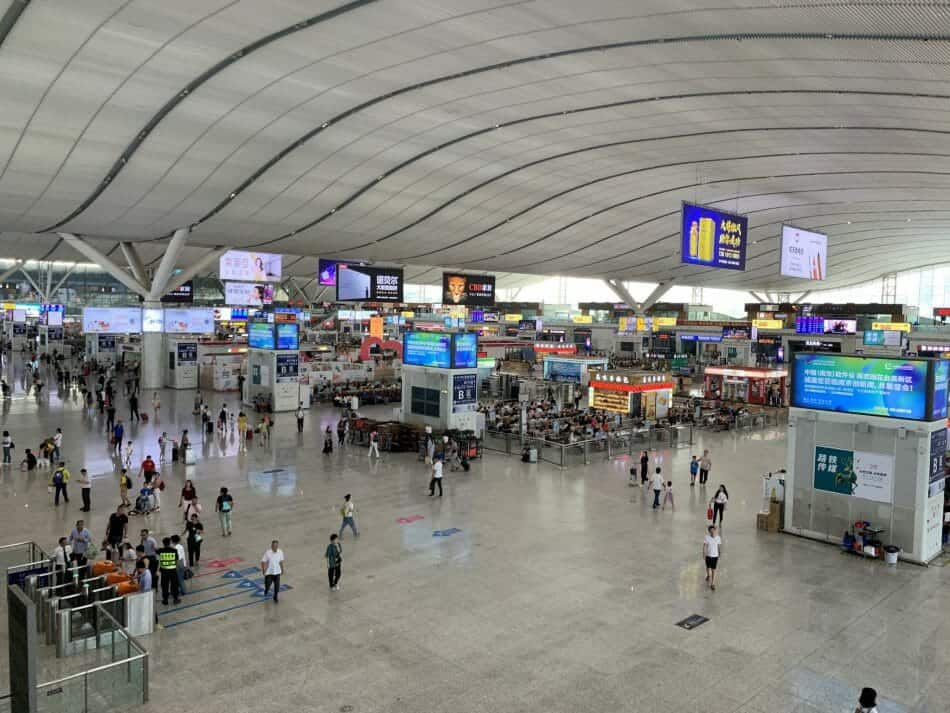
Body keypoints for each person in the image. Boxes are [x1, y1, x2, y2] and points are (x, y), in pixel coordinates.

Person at [156, 536, 181, 605]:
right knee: (174, 585)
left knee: (164, 585)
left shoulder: (161, 551)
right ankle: (175, 599)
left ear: (163, 543)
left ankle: (165, 600)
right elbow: (177, 561)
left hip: (164, 571)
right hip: (172, 571)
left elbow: (155, 549)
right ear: (170, 543)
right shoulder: (174, 550)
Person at [703, 525, 722, 590]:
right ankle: (708, 575)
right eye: (711, 531)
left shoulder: (718, 538)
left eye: (713, 531)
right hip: (708, 555)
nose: (712, 532)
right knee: (708, 567)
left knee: (713, 569)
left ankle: (713, 583)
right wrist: (704, 553)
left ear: (715, 530)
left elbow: (719, 546)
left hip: (715, 556)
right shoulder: (707, 537)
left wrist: (719, 552)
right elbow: (704, 546)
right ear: (709, 532)